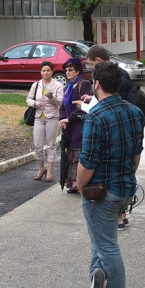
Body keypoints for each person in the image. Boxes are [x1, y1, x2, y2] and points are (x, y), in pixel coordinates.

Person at [75, 62, 144, 288]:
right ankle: (97, 273)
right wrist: (126, 176)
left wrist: (80, 187)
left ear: (97, 84)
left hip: (102, 192)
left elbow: (87, 162)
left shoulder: (95, 116)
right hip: (126, 188)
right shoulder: (135, 112)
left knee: (107, 244)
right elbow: (136, 154)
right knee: (101, 236)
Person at [58, 58, 92, 193]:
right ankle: (72, 183)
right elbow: (62, 106)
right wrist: (62, 119)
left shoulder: (84, 84)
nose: (67, 72)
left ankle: (80, 183)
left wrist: (69, 119)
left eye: (70, 69)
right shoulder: (67, 87)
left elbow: (85, 107)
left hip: (79, 125)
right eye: (66, 70)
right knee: (70, 153)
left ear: (78, 71)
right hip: (69, 126)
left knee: (78, 154)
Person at [27, 61, 63, 182]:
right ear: (41, 72)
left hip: (52, 117)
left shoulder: (58, 85)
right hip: (38, 117)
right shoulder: (36, 85)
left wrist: (52, 98)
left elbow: (60, 102)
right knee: (38, 145)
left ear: (52, 72)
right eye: (43, 70)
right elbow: (28, 99)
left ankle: (50, 170)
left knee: (51, 144)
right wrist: (35, 103)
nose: (46, 72)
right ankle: (41, 169)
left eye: (48, 70)